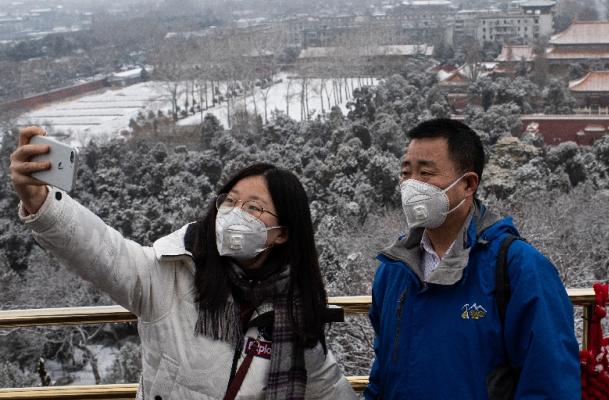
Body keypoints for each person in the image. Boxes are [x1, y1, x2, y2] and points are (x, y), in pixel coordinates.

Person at [9, 126, 357, 400]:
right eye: (230, 201)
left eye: (253, 208)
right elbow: (104, 252)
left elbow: (327, 387)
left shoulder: (296, 309)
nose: (235, 215)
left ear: (282, 233)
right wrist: (44, 204)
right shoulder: (171, 273)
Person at [365, 118, 579, 400]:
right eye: (406, 173)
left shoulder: (518, 268)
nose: (411, 185)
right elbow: (382, 373)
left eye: (425, 173)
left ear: (468, 183)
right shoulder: (393, 270)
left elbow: (550, 383)